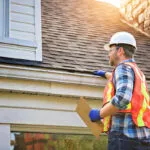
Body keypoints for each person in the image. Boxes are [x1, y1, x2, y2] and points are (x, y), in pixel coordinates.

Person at [89, 31, 150, 150]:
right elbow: (127, 84)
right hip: (141, 138)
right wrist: (107, 74)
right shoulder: (137, 71)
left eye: (110, 50)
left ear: (120, 51)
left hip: (125, 139)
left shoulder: (122, 68)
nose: (108, 55)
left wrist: (99, 114)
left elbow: (122, 98)